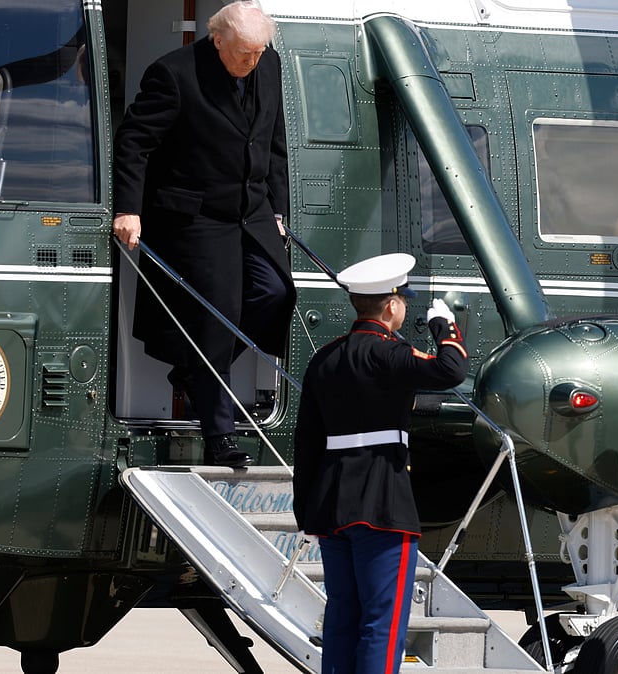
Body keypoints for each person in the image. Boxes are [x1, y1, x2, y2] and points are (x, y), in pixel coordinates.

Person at [112, 0, 293, 468]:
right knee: (217, 317)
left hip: (252, 211)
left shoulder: (267, 63)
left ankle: (197, 370)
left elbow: (274, 143)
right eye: (242, 53)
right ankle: (221, 437)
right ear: (217, 40)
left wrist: (278, 209)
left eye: (257, 52)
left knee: (276, 293)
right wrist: (129, 209)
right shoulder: (173, 76)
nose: (250, 62)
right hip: (197, 217)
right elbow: (134, 143)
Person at [292, 253, 467, 674]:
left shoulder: (325, 359)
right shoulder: (390, 354)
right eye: (403, 299)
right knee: (382, 624)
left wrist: (306, 509)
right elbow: (452, 368)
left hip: (332, 507)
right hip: (384, 505)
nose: (404, 306)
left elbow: (307, 444)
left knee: (341, 621)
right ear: (391, 305)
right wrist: (444, 327)